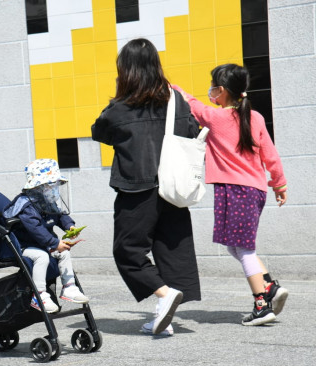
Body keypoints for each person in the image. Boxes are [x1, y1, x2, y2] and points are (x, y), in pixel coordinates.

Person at [91, 38, 201, 336]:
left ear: (125, 70)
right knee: (170, 249)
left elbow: (99, 132)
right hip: (174, 186)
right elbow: (191, 131)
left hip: (137, 188)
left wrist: (119, 98)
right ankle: (163, 313)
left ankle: (164, 296)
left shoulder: (121, 108)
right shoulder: (176, 99)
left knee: (128, 251)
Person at [173, 64, 288, 326]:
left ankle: (261, 304)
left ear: (221, 90)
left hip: (235, 190)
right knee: (234, 245)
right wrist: (279, 185)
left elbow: (190, 103)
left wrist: (170, 87)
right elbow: (270, 155)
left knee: (244, 248)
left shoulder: (215, 118)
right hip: (255, 190)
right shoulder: (255, 117)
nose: (210, 91)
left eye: (213, 86)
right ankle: (268, 285)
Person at [3, 159, 89, 313]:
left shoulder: (45, 202)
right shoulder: (26, 206)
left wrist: (70, 226)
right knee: (42, 256)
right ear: (38, 187)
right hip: (23, 246)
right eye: (51, 185)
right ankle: (39, 295)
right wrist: (54, 243)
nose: (55, 189)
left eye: (56, 185)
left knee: (64, 253)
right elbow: (35, 229)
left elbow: (60, 215)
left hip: (42, 243)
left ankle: (69, 287)